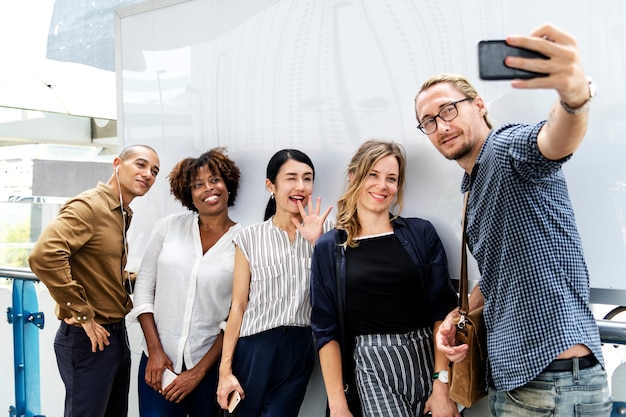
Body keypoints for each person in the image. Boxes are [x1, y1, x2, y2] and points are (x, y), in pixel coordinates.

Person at [414, 24, 612, 416]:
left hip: (549, 379)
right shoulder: (471, 183)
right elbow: (500, 271)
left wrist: (574, 98)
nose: (441, 126)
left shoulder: (506, 148)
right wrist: (460, 314)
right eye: (429, 121)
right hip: (521, 379)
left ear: (479, 105)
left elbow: (554, 141)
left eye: (448, 110)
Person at [310, 140, 460, 417]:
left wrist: (441, 385)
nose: (382, 186)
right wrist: (338, 406)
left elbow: (443, 309)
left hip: (427, 357)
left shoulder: (421, 234)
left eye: (391, 178)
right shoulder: (330, 247)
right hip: (371, 366)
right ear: (354, 177)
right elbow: (325, 330)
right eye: (373, 175)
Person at [28, 144, 160, 417]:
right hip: (89, 339)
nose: (148, 174)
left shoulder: (120, 213)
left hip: (115, 335)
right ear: (117, 163)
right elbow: (44, 255)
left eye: (154, 171)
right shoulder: (90, 206)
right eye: (140, 164)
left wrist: (154, 280)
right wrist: (83, 315)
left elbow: (103, 273)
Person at [216, 149, 333, 416]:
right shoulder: (249, 238)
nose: (300, 187)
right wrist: (225, 371)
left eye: (307, 178)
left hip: (299, 347)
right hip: (254, 349)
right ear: (271, 185)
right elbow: (238, 306)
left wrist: (319, 242)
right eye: (291, 178)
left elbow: (337, 291)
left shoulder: (327, 232)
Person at [127, 148, 242, 416]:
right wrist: (155, 353)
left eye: (214, 180)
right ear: (188, 194)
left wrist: (198, 372)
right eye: (197, 185)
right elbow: (143, 290)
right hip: (159, 367)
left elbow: (238, 313)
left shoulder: (244, 240)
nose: (208, 189)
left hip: (210, 370)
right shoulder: (169, 227)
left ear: (228, 184)